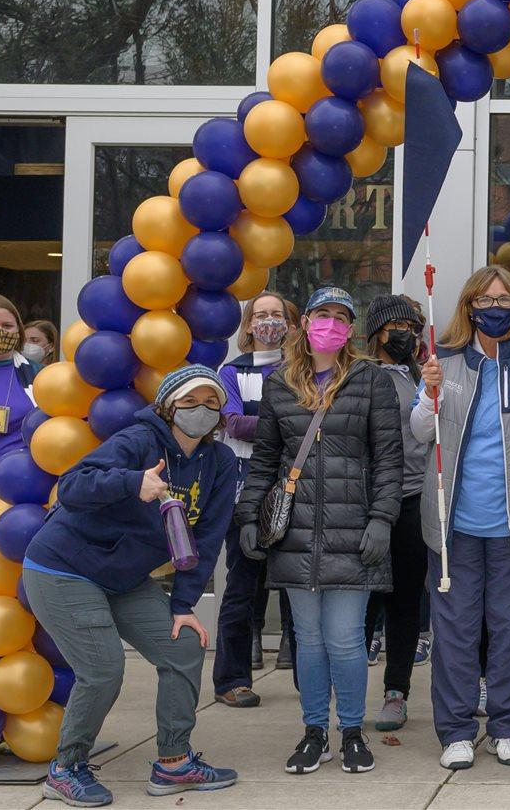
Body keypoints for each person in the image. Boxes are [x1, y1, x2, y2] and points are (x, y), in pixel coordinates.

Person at [25, 365, 241, 806]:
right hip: (65, 567)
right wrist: (131, 482)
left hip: (123, 577)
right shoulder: (138, 441)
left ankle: (174, 763)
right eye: (189, 401)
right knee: (103, 669)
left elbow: (206, 539)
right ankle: (66, 768)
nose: (200, 410)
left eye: (211, 402)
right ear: (167, 406)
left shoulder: (219, 462)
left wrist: (184, 604)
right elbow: (71, 487)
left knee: (183, 646)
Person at [237, 286, 404, 775]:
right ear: (304, 322)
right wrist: (249, 514)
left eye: (340, 317)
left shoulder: (371, 380)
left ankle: (351, 732)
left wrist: (382, 518)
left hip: (354, 530)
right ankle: (315, 731)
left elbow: (389, 459)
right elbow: (266, 459)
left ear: (351, 328)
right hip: (296, 530)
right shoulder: (279, 384)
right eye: (322, 314)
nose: (330, 324)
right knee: (308, 640)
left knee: (347, 638)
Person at [413, 266, 510, 771]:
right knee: (456, 632)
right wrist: (427, 392)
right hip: (453, 525)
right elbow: (421, 432)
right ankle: (457, 731)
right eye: (485, 299)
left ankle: (507, 727)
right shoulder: (444, 362)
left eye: (504, 299)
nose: (495, 307)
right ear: (468, 306)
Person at [213, 292, 299, 707]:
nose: (269, 322)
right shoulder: (231, 372)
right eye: (261, 315)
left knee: (300, 585)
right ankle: (232, 679)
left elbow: (251, 424)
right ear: (248, 326)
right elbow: (231, 422)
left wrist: (260, 421)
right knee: (241, 586)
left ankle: (307, 676)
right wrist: (287, 421)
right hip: (244, 491)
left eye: (277, 315)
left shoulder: (302, 369)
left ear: (291, 323)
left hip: (297, 487)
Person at [363, 294, 433, 733]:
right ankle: (347, 692)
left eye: (412, 325)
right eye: (396, 326)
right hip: (367, 505)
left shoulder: (422, 376)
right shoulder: (358, 376)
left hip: (413, 500)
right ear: (377, 333)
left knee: (405, 602)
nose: (405, 333)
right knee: (361, 602)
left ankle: (396, 692)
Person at [0, 294, 39, 473]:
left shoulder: (38, 374)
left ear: (19, 330)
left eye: (7, 326)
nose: (0, 332)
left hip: (22, 477)